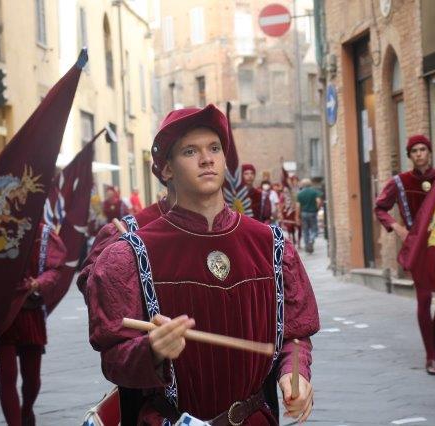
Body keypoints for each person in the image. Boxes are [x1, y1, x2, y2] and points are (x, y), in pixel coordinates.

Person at [86, 104, 319, 425]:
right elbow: (113, 358)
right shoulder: (129, 254)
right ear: (167, 170)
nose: (207, 158)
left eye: (214, 148)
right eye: (190, 151)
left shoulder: (273, 244)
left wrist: (296, 374)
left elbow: (296, 334)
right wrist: (152, 349)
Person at [374, 135, 435, 375]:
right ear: (410, 156)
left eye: (423, 149)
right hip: (417, 247)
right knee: (424, 298)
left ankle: (432, 334)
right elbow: (380, 207)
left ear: (429, 152)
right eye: (415, 151)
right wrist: (397, 228)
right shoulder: (400, 182)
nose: (419, 154)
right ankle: (431, 357)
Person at [0, 222, 66, 426]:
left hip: (31, 311)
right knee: (7, 376)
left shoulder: (44, 232)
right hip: (1, 313)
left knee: (32, 380)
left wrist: (38, 283)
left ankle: (26, 412)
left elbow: (55, 268)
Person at [296, 178, 322, 253]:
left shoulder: (300, 194)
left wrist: (297, 216)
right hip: (312, 212)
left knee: (305, 230)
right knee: (314, 229)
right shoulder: (315, 192)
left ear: (302, 185)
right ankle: (311, 239)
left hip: (303, 213)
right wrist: (317, 208)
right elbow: (318, 201)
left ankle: (307, 245)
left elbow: (298, 206)